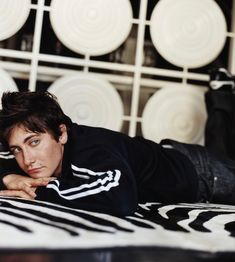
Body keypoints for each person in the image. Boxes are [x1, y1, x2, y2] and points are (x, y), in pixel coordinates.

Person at [0, 92, 235, 217]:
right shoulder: (31, 155)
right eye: (17, 150)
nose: (27, 159)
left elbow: (122, 199)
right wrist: (11, 179)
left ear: (61, 134)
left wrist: (39, 190)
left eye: (34, 142)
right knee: (224, 148)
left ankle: (222, 98)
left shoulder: (89, 150)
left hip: (200, 173)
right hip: (167, 155)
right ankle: (222, 97)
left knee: (226, 152)